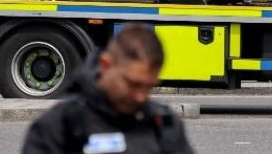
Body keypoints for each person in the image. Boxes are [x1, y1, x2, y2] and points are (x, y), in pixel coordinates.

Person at [21, 24, 195, 154]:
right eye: (133, 84)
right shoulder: (59, 126)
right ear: (106, 65)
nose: (141, 97)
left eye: (149, 86)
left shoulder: (164, 125)